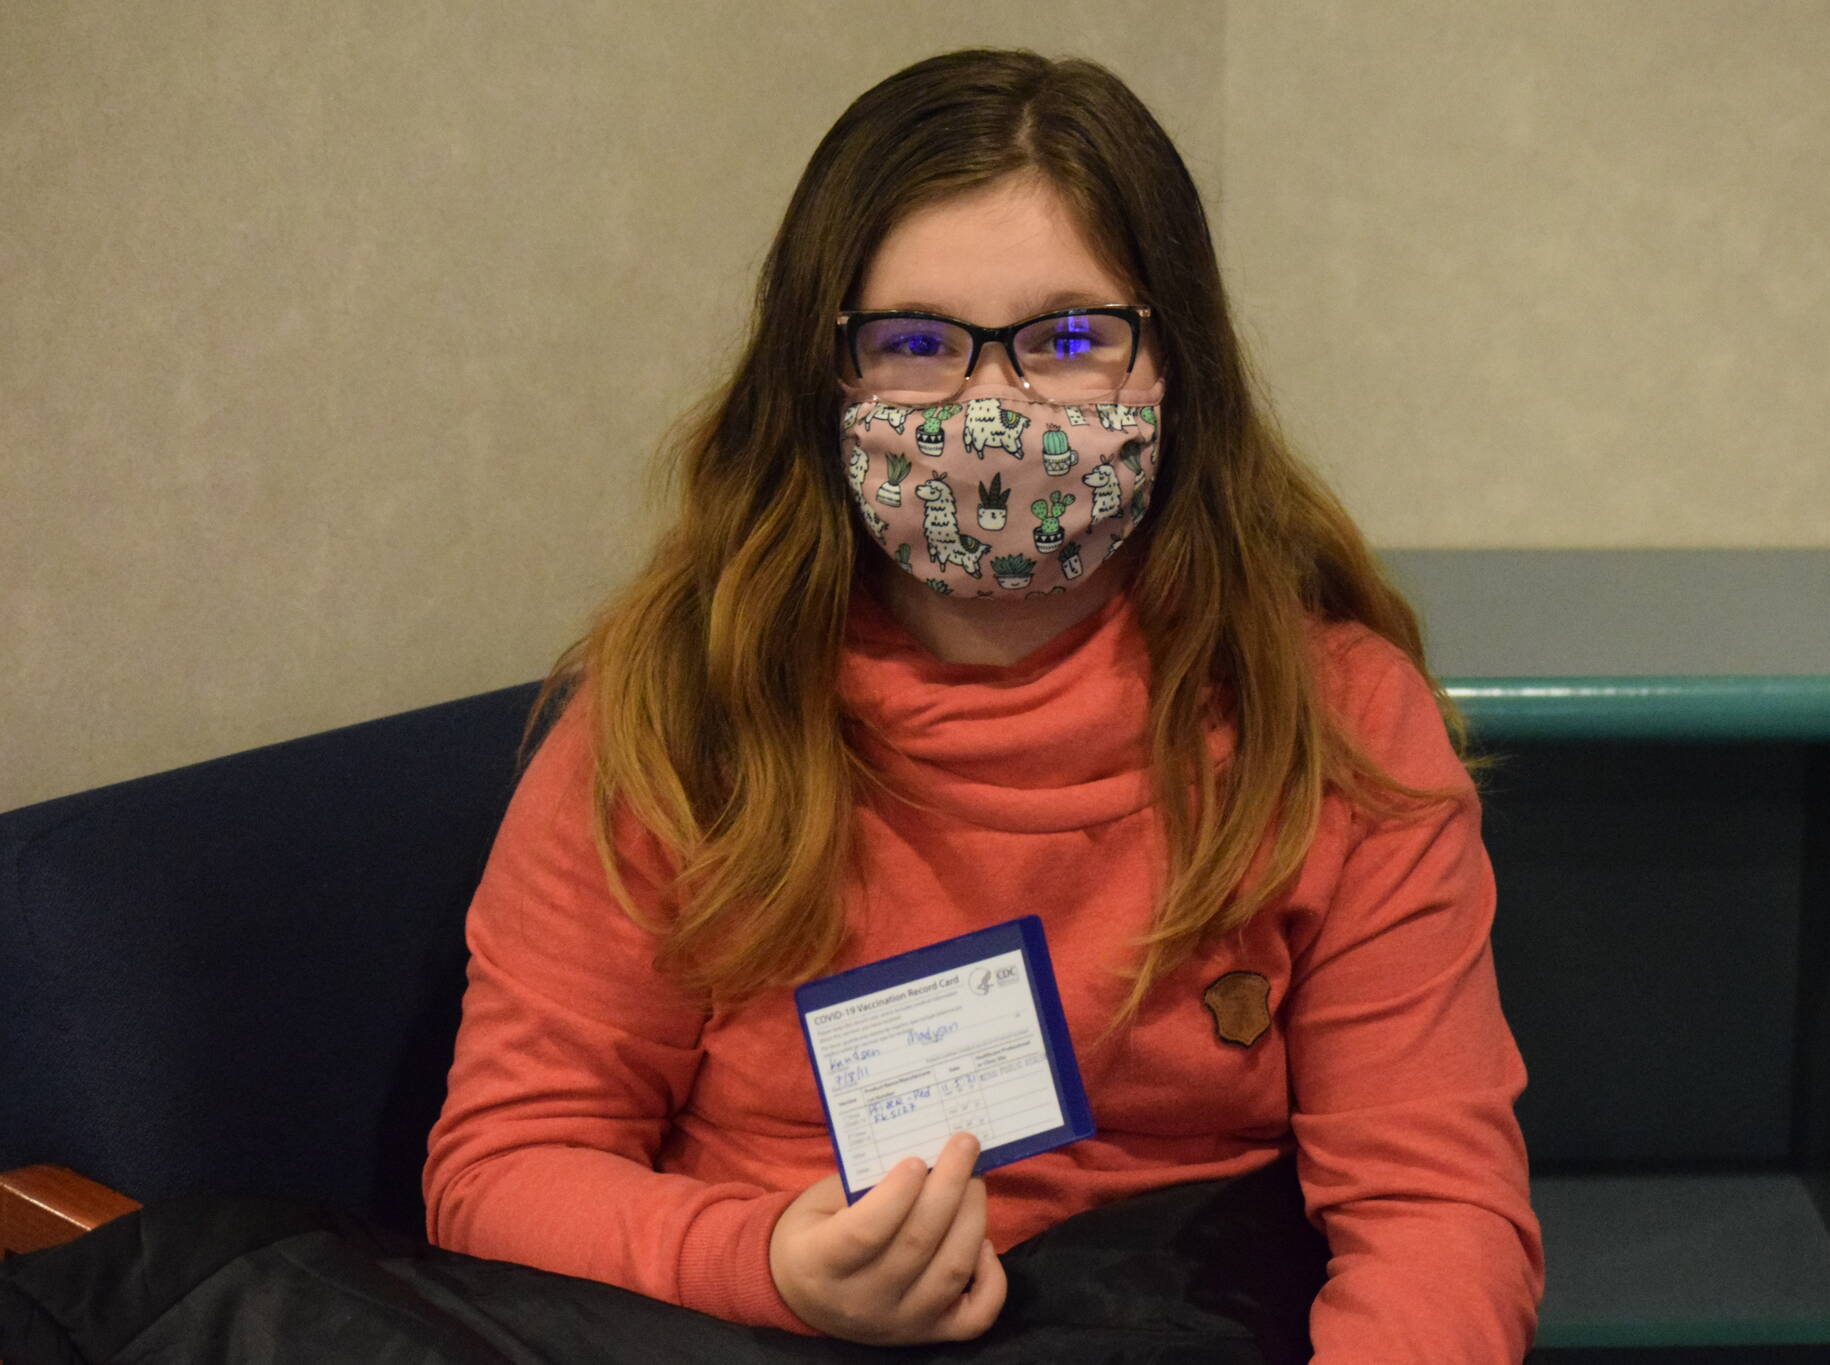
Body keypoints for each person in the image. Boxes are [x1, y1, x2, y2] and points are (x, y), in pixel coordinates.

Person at [421, 47, 1544, 1363]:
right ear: (824, 375)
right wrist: (772, 1264)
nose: (992, 408)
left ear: (1172, 362)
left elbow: (1434, 1216)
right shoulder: (677, 707)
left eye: (1070, 339)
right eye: (916, 344)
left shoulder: (1331, 718)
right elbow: (504, 1168)